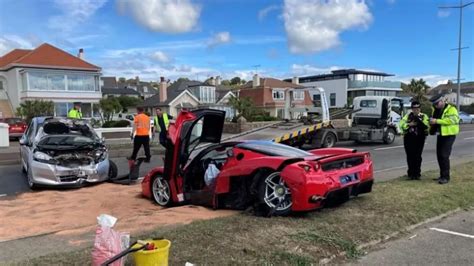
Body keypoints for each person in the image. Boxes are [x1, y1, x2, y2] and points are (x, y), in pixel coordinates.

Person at [429, 94, 459, 184]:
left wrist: (437, 121)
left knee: (444, 155)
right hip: (441, 134)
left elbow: (453, 120)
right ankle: (442, 175)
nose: (436, 105)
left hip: (449, 134)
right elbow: (434, 120)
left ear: (442, 101)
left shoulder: (451, 109)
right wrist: (431, 122)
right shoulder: (436, 110)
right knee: (439, 156)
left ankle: (446, 177)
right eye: (434, 104)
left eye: (437, 103)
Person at [399, 100, 429, 180]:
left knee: (418, 156)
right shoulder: (407, 116)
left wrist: (418, 121)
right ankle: (411, 174)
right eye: (414, 108)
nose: (416, 110)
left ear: (420, 108)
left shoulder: (424, 116)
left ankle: (417, 174)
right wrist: (409, 124)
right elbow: (401, 125)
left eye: (417, 108)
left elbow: (426, 126)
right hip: (409, 138)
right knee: (410, 156)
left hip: (419, 138)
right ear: (412, 109)